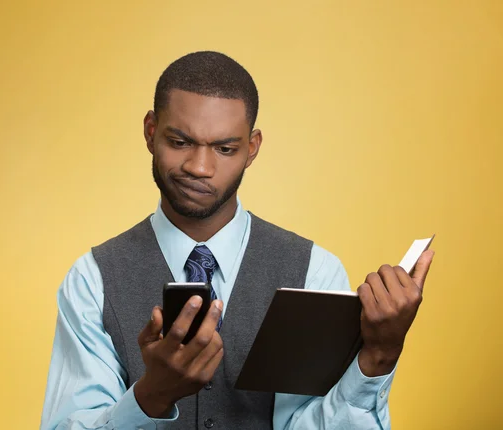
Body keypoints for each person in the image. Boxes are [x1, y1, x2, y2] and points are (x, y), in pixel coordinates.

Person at [40, 51, 434, 430]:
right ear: (150, 131)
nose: (199, 167)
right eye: (180, 142)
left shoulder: (314, 271)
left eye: (225, 149)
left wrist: (379, 356)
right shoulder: (94, 280)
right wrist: (150, 397)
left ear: (252, 148)